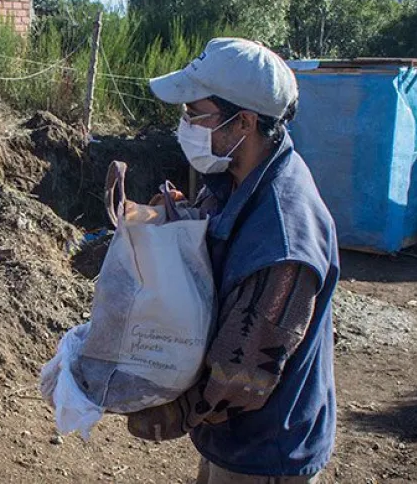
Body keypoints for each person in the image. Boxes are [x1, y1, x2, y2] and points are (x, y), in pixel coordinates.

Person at [126, 37, 339, 483]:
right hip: (233, 443)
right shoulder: (236, 174)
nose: (184, 124)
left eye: (194, 114)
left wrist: (156, 406)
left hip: (264, 454)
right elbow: (216, 231)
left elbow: (240, 378)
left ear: (243, 122)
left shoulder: (283, 238)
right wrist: (174, 219)